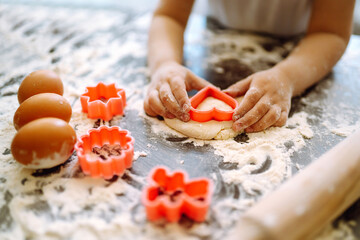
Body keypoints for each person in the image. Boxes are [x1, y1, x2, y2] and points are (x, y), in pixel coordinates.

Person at [144, 0, 355, 133]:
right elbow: (169, 16)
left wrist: (287, 77)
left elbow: (331, 33)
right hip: (216, 38)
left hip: (305, 51)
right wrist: (165, 64)